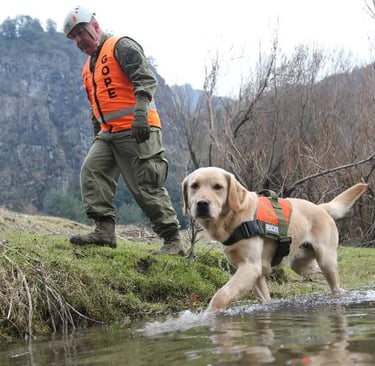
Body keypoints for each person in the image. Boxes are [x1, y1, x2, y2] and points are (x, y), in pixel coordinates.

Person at [62, 6, 184, 255]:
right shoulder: (88, 67)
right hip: (108, 134)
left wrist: (140, 114)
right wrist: (97, 130)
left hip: (138, 129)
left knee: (146, 185)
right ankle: (104, 232)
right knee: (92, 172)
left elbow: (146, 79)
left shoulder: (122, 46)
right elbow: (96, 103)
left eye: (81, 33)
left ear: (95, 26)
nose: (79, 41)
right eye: (74, 38)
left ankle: (173, 241)